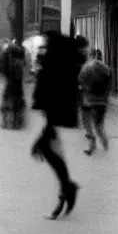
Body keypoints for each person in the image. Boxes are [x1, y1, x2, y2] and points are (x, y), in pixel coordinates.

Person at [31, 31, 81, 220]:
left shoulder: (55, 62)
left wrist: (45, 130)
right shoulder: (64, 63)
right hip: (55, 116)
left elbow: (49, 91)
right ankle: (66, 189)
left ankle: (67, 189)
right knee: (51, 151)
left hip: (53, 116)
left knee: (48, 150)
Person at [78, 48, 111, 155]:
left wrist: (84, 87)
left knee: (87, 122)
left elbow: (81, 81)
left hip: (89, 99)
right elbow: (110, 83)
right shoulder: (106, 68)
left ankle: (94, 144)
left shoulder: (87, 67)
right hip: (102, 100)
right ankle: (104, 143)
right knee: (98, 125)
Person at [0, 41, 28, 130]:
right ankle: (18, 121)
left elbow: (4, 71)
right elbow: (23, 73)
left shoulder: (9, 60)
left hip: (10, 84)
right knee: (18, 102)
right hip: (18, 86)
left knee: (6, 101)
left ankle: (6, 121)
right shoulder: (20, 61)